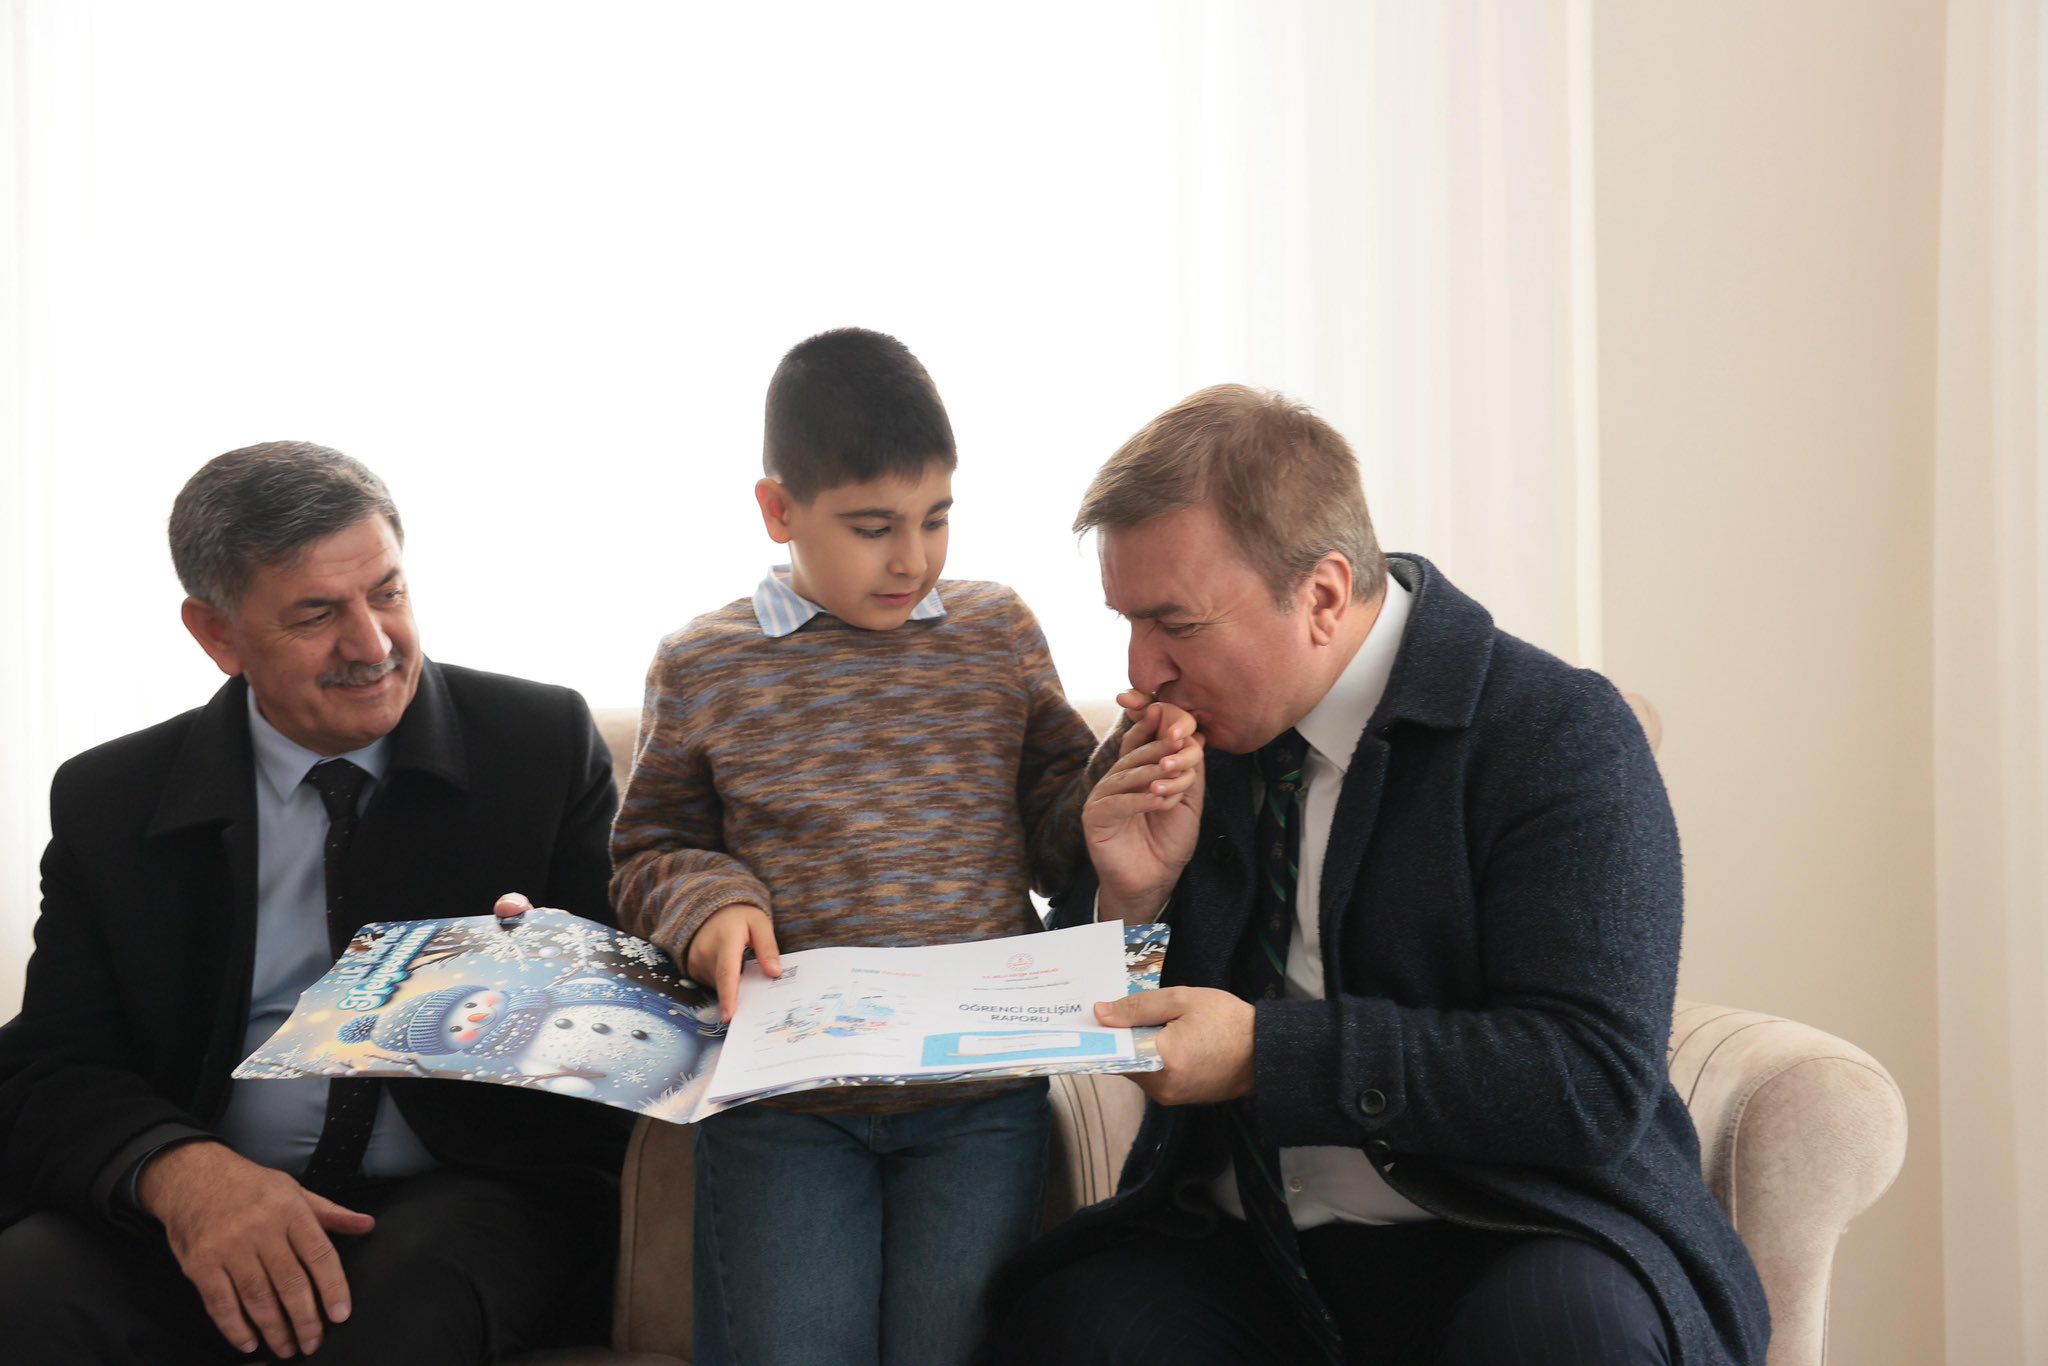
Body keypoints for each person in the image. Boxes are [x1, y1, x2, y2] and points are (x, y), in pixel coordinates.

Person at [984, 386, 1771, 1365]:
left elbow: (1587, 1081)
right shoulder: (1169, 745)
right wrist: (1129, 899)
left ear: (1321, 595)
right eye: (1127, 622)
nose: (1142, 671)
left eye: (1174, 623)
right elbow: (1083, 1022)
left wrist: (1268, 1055)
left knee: (1561, 1342)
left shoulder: (1555, 733)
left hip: (1520, 1223)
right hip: (1240, 1243)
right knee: (1068, 1332)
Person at [602, 328, 1169, 1366]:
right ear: (779, 511)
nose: (912, 557)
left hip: (978, 1101)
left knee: (953, 1345)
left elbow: (1058, 834)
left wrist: (1117, 775)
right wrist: (714, 905)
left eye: (936, 518)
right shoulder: (703, 663)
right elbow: (651, 850)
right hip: (785, 1103)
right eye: (874, 527)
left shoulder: (996, 632)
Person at [0, 442, 632, 1364]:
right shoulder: (113, 798)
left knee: (388, 1318)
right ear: (217, 634)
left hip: (462, 1189)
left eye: (387, 592)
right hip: (209, 1190)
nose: (372, 646)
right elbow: (54, 1065)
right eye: (316, 614)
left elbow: (638, 1030)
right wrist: (184, 1175)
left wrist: (552, 977)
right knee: (25, 1292)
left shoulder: (537, 745)